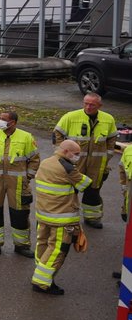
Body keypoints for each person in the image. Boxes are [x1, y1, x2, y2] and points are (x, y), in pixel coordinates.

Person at [0, 108, 38, 256]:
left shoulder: (26, 137)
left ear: (13, 122)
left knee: (20, 214)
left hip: (17, 184)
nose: (0, 121)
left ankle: (21, 245)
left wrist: (26, 178)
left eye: (4, 119)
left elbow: (34, 160)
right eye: (0, 118)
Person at [31, 139, 88, 295]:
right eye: (76, 154)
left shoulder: (46, 162)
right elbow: (85, 184)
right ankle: (42, 282)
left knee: (42, 244)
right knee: (57, 250)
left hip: (43, 215)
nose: (78, 157)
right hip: (61, 218)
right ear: (65, 152)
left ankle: (42, 274)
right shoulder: (67, 167)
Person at [52, 93, 116, 228]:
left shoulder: (108, 119)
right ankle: (68, 219)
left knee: (93, 191)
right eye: (85, 103)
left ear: (100, 106)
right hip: (74, 163)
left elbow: (112, 138)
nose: (88, 107)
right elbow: (57, 134)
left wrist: (107, 156)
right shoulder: (71, 116)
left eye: (92, 104)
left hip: (96, 164)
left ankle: (92, 218)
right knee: (70, 192)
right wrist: (62, 154)